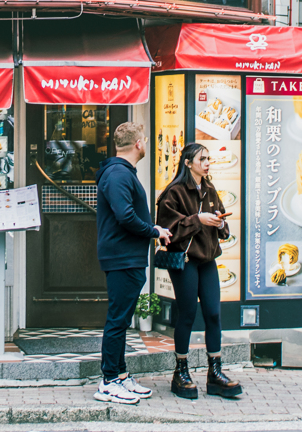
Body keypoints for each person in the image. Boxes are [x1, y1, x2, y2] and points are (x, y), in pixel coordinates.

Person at [155, 142, 242, 399]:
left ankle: (215, 373)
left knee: (213, 314)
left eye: (208, 159)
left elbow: (221, 225)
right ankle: (180, 372)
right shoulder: (174, 192)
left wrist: (220, 223)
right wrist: (198, 219)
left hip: (207, 259)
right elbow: (167, 230)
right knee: (187, 314)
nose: (207, 163)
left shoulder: (210, 189)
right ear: (188, 162)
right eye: (202, 159)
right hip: (185, 260)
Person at [94, 122, 172, 405]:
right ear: (138, 143)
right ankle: (108, 382)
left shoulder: (121, 172)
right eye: (145, 140)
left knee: (122, 319)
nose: (146, 144)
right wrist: (154, 231)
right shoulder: (118, 174)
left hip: (126, 256)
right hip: (122, 257)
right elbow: (125, 216)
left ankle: (120, 374)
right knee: (117, 320)